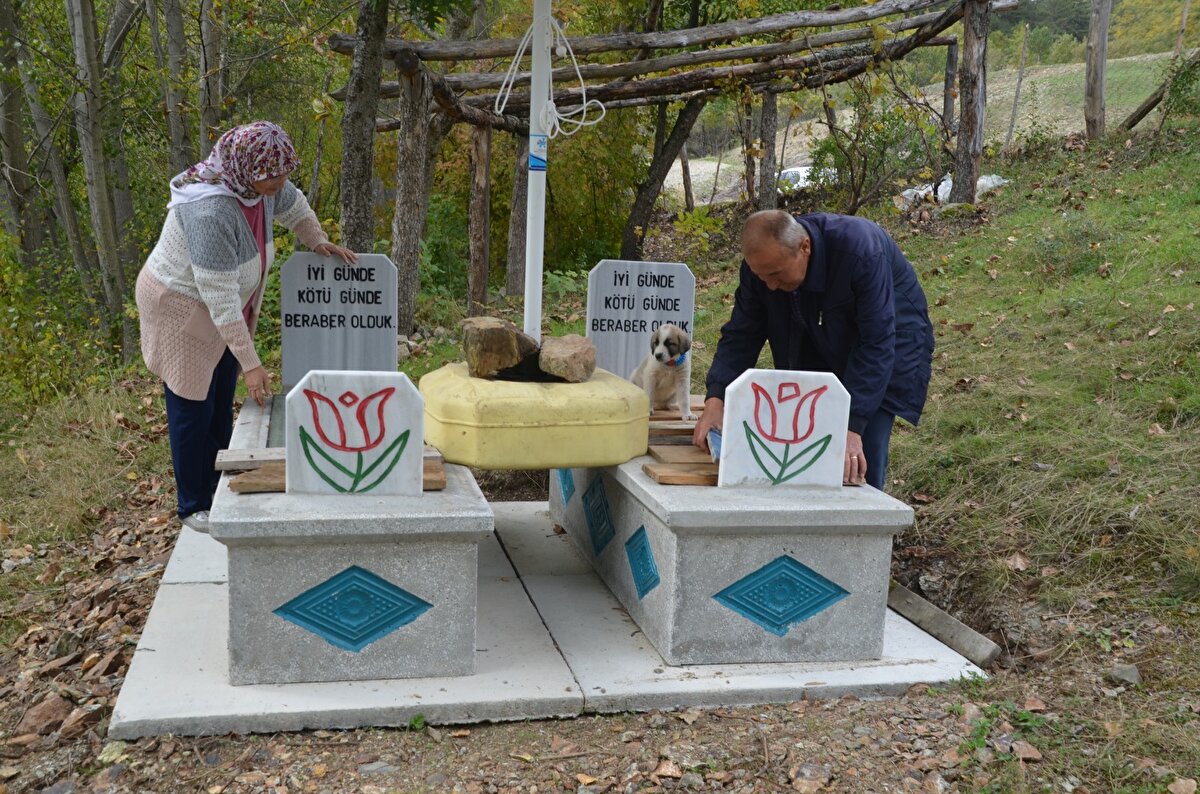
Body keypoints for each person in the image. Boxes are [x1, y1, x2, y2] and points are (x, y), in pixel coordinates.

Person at [136, 121, 356, 532]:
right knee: (192, 405)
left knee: (221, 395)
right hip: (181, 307)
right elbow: (219, 298)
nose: (280, 183)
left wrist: (317, 239)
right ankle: (193, 504)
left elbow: (295, 204)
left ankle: (218, 481)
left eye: (285, 173)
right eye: (272, 176)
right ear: (244, 168)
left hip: (221, 305)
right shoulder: (210, 212)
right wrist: (252, 364)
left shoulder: (260, 186)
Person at [692, 210, 934, 490]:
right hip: (816, 327)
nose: (769, 285)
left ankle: (866, 510)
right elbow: (741, 334)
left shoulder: (860, 251)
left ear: (804, 247)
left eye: (775, 274)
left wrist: (852, 426)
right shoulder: (762, 268)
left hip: (890, 343)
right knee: (804, 442)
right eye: (761, 276)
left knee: (856, 453)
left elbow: (876, 342)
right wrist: (716, 399)